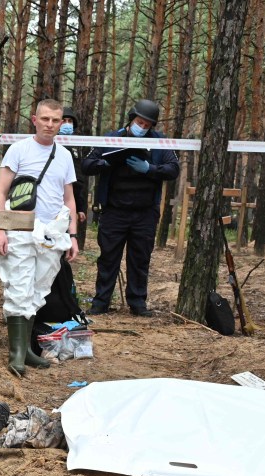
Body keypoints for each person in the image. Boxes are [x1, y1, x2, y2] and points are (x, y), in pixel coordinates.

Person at [0, 99, 79, 376]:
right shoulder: (18, 150)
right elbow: (0, 192)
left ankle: (27, 350)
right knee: (18, 287)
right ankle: (16, 353)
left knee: (38, 290)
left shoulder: (64, 156)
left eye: (56, 120)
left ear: (61, 122)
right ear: (34, 119)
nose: (50, 125)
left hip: (52, 233)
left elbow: (69, 198)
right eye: (45, 119)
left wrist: (73, 235)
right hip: (19, 229)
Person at [81, 99, 180, 317]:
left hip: (145, 213)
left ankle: (137, 303)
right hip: (114, 211)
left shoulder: (160, 142)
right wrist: (105, 163)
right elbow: (87, 164)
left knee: (140, 259)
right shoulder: (110, 138)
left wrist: (150, 169)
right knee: (108, 258)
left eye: (147, 125)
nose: (142, 128)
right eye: (139, 122)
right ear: (131, 118)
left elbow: (173, 168)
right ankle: (101, 302)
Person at [59, 106, 89, 251]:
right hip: (49, 201)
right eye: (63, 120)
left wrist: (80, 207)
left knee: (65, 243)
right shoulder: (46, 142)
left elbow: (78, 179)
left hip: (69, 202)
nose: (66, 123)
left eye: (69, 121)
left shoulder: (75, 146)